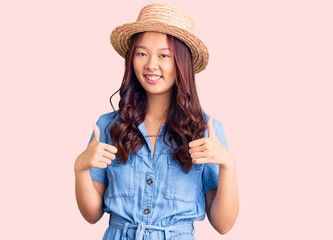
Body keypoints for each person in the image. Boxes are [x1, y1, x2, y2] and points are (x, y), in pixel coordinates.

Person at [74, 3, 239, 240]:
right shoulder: (109, 126)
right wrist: (80, 169)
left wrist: (228, 165)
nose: (151, 64)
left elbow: (223, 225)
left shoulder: (205, 131)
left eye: (164, 55)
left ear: (181, 63)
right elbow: (91, 215)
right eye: (142, 53)